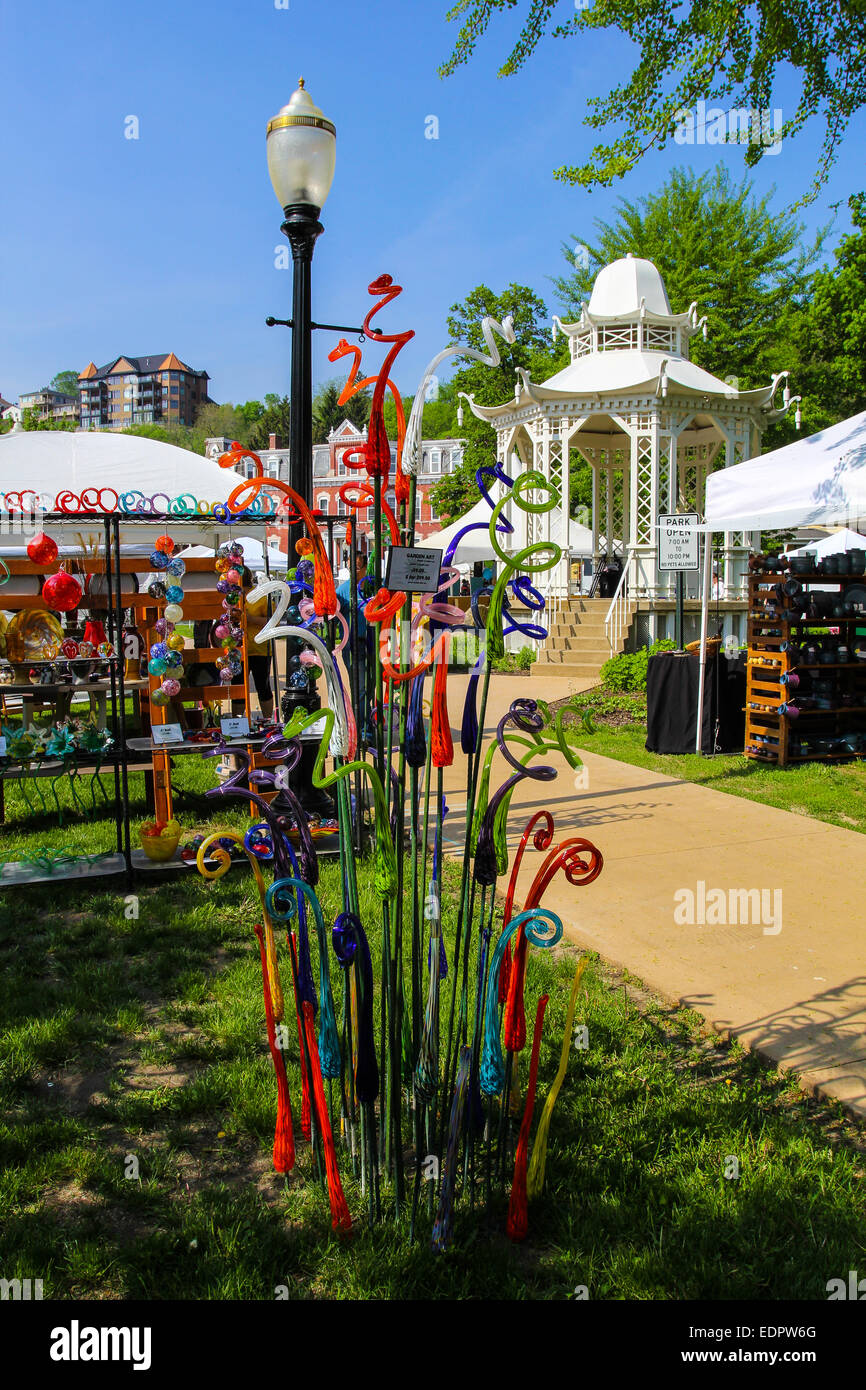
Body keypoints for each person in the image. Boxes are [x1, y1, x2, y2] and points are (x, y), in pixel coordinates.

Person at [336, 551, 371, 741]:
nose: (353, 571)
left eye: (357, 567)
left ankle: (369, 722)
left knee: (371, 685)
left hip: (374, 642)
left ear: (364, 568)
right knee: (359, 687)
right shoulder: (342, 591)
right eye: (350, 567)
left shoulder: (372, 587)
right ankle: (362, 729)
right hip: (352, 643)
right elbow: (332, 617)